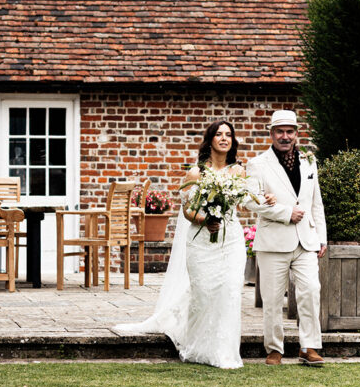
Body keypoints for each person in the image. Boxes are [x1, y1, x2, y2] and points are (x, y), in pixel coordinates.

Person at [115, 119, 274, 369]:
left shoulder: (239, 172)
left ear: (233, 141)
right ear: (210, 139)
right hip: (201, 242)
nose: (224, 138)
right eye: (219, 134)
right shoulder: (195, 172)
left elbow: (244, 204)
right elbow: (187, 210)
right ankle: (199, 348)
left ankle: (225, 352)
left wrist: (266, 198)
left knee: (229, 292)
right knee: (204, 293)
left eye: (228, 135)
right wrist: (205, 219)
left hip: (230, 239)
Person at [246, 109, 327, 366]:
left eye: (289, 131)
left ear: (296, 134)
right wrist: (284, 212)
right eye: (279, 131)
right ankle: (274, 349)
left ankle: (309, 346)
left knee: (311, 291)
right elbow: (250, 200)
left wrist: (321, 237)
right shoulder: (258, 163)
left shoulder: (309, 161)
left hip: (306, 241)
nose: (284, 136)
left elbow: (316, 203)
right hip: (273, 242)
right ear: (271, 133)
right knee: (271, 298)